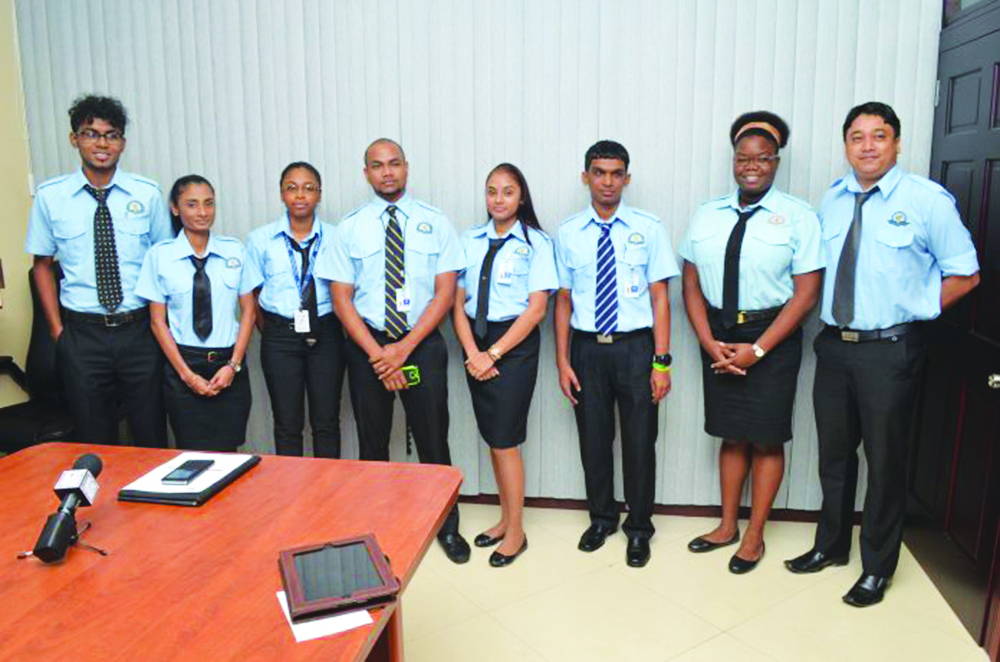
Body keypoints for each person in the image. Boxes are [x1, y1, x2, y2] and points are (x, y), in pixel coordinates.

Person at [785, 102, 980, 607]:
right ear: (846, 144)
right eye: (857, 137)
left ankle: (877, 568)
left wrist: (917, 307)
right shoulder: (831, 200)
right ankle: (830, 547)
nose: (867, 146)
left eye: (879, 136)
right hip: (833, 346)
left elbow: (966, 272)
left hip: (889, 350)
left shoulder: (926, 201)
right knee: (834, 456)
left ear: (897, 143)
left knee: (885, 462)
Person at [680, 112, 823, 574]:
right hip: (719, 337)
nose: (752, 166)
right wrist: (708, 341)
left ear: (776, 162)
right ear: (733, 161)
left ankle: (755, 535)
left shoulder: (799, 216)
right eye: (744, 158)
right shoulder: (708, 213)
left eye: (762, 158)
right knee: (731, 433)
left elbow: (806, 295)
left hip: (772, 338)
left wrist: (758, 349)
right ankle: (726, 526)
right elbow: (690, 283)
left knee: (765, 438)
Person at [319, 138, 471, 564]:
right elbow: (341, 299)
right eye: (377, 165)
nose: (387, 172)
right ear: (365, 172)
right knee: (372, 443)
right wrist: (379, 354)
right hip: (369, 347)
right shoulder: (349, 227)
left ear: (407, 167)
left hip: (419, 345)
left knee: (433, 439)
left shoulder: (435, 222)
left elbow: (444, 294)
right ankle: (378, 530)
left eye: (394, 164)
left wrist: (403, 349)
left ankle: (447, 527)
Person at [554, 140, 678, 568]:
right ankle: (602, 518)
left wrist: (662, 361)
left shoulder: (649, 227)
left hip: (635, 349)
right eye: (599, 172)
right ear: (585, 176)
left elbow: (661, 299)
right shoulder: (568, 232)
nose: (608, 181)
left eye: (616, 173)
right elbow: (564, 302)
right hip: (587, 349)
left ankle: (639, 528)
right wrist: (563, 361)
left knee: (641, 442)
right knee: (594, 440)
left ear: (627, 177)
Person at [24, 94, 171, 446]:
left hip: (139, 332)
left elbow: (164, 262)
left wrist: (159, 325)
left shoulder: (147, 194)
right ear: (75, 139)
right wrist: (59, 332)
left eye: (112, 134)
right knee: (93, 437)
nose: (102, 143)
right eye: (91, 133)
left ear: (122, 142)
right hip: (82, 335)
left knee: (150, 434)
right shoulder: (51, 197)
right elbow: (42, 266)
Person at [452, 163, 558, 567]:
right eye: (491, 191)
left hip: (512, 348)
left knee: (505, 440)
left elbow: (536, 311)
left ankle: (516, 531)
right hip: (474, 346)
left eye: (508, 192)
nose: (499, 199)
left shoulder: (536, 243)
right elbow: (455, 305)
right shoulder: (469, 241)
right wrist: (472, 352)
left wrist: (492, 354)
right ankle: (504, 518)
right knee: (492, 438)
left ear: (522, 197)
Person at [136, 176, 261, 451]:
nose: (202, 212)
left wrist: (233, 366)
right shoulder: (160, 256)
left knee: (229, 452)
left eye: (209, 204)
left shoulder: (234, 250)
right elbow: (157, 323)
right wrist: (187, 375)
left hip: (228, 364)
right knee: (191, 452)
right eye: (192, 204)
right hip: (184, 363)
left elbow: (249, 310)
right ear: (175, 208)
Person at [246, 162, 346, 458]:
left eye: (308, 188)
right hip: (279, 337)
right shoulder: (260, 240)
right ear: (281, 194)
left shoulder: (337, 237)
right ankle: (292, 498)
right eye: (292, 188)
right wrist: (277, 329)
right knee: (287, 423)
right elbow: (252, 295)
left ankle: (327, 497)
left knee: (326, 422)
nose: (300, 195)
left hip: (327, 334)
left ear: (319, 194)